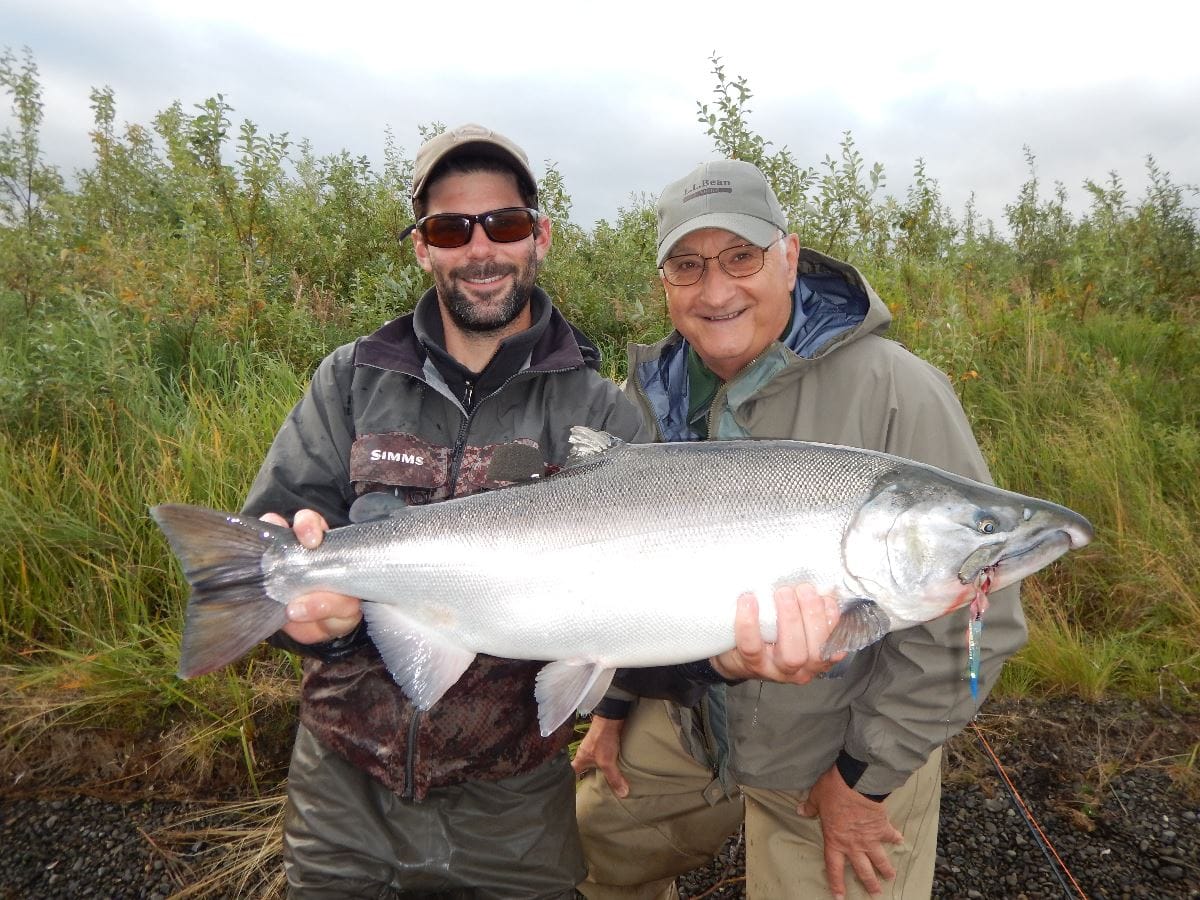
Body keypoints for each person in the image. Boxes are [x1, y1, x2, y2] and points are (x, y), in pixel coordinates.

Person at [573, 159, 1028, 899]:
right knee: (590, 850)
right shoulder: (649, 396)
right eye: (688, 266)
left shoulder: (895, 390)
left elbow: (978, 618)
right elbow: (625, 572)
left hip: (838, 742)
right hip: (693, 718)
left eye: (741, 258)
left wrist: (866, 777)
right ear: (664, 283)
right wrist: (615, 706)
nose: (716, 290)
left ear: (788, 257)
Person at [240, 122, 657, 898]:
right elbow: (275, 539)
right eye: (449, 228)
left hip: (514, 811)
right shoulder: (350, 380)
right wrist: (307, 622)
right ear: (421, 247)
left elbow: (649, 612)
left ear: (541, 237)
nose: (480, 250)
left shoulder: (604, 418)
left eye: (503, 223)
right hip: (342, 797)